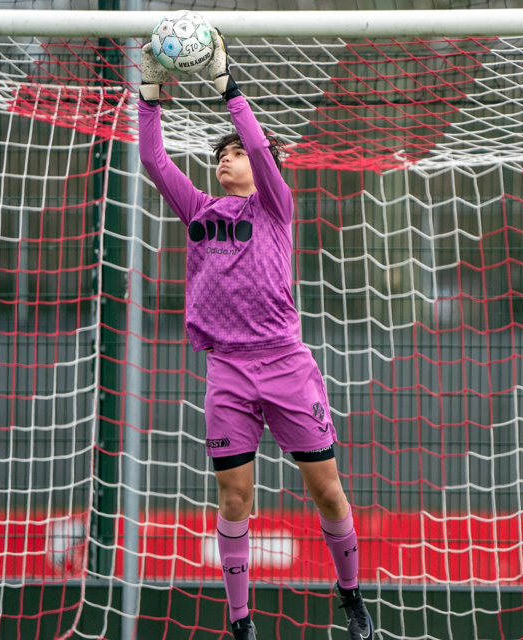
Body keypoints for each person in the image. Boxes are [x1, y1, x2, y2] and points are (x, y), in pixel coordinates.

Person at [137, 33, 374, 640]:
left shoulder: (275, 207)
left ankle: (351, 596)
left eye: (236, 152)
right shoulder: (199, 210)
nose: (226, 158)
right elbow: (154, 160)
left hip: (286, 365)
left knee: (327, 492)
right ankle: (241, 623)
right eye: (221, 154)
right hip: (227, 370)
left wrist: (229, 90)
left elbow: (264, 150)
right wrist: (150, 96)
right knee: (234, 500)